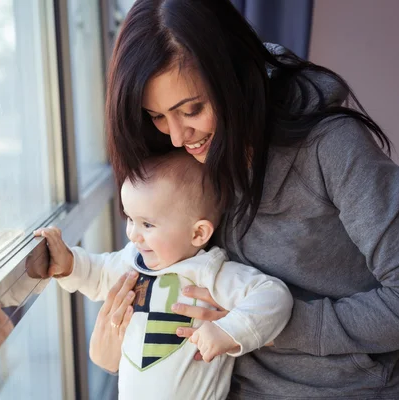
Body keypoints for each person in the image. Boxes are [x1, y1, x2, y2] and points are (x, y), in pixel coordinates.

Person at [83, 1, 399, 399]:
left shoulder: (330, 148)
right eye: (156, 116)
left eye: (191, 109)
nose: (177, 137)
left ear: (234, 80)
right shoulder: (181, 158)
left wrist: (268, 324)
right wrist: (113, 347)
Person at [35, 150, 293, 399]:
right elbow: (96, 272)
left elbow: (273, 296)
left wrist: (229, 331)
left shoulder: (210, 272)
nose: (133, 234)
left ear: (198, 234)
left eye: (147, 224)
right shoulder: (131, 261)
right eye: (130, 219)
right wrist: (68, 263)